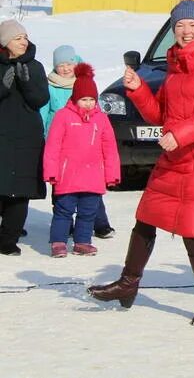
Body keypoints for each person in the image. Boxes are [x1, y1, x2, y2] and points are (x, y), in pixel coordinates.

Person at [88, 1, 194, 326]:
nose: (185, 32)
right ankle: (128, 285)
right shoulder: (176, 63)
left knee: (192, 230)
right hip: (177, 152)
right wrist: (139, 90)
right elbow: (160, 115)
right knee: (146, 217)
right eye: (180, 26)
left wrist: (181, 134)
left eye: (192, 26)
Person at [43, 63, 120, 257]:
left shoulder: (101, 120)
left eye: (91, 99)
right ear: (75, 98)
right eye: (83, 99)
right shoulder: (63, 117)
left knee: (88, 212)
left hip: (93, 176)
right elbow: (53, 146)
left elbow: (110, 149)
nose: (87, 103)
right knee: (63, 211)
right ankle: (58, 242)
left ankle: (82, 242)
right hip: (67, 175)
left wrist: (111, 175)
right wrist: (51, 171)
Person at [0, 19, 49, 256]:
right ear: (4, 41)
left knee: (21, 190)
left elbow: (40, 100)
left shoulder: (35, 66)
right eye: (17, 38)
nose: (23, 41)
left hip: (27, 138)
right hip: (2, 136)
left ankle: (8, 240)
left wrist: (27, 83)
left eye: (25, 37)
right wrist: (3, 86)